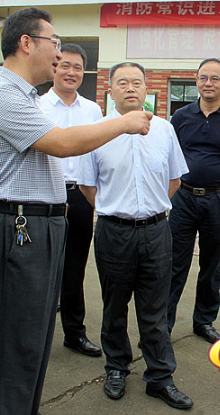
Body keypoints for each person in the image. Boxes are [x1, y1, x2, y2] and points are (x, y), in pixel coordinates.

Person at [0, 7, 152, 415]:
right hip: (20, 226)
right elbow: (63, 144)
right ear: (26, 43)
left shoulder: (24, 97)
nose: (59, 54)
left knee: (33, 338)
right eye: (54, 43)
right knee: (18, 340)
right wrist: (124, 122)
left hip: (38, 224)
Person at [78, 62, 192, 410]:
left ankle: (160, 377)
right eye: (122, 83)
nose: (130, 88)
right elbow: (87, 185)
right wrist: (117, 210)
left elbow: (175, 179)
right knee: (114, 306)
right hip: (114, 233)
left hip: (157, 232)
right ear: (110, 90)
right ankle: (116, 366)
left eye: (137, 82)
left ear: (146, 89)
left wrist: (149, 211)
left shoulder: (164, 129)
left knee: (155, 309)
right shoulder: (96, 132)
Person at [166, 58, 220, 343]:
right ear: (196, 81)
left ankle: (204, 321)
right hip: (183, 199)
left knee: (211, 265)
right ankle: (163, 323)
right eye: (203, 77)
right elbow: (170, 157)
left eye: (215, 78)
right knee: (174, 263)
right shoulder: (181, 117)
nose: (209, 83)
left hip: (218, 201)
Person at [38, 43, 103, 357]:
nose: (71, 72)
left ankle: (74, 333)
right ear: (54, 68)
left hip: (80, 197)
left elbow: (98, 155)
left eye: (78, 67)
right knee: (40, 269)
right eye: (65, 65)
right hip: (43, 196)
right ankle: (36, 336)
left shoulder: (92, 111)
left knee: (75, 270)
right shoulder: (36, 106)